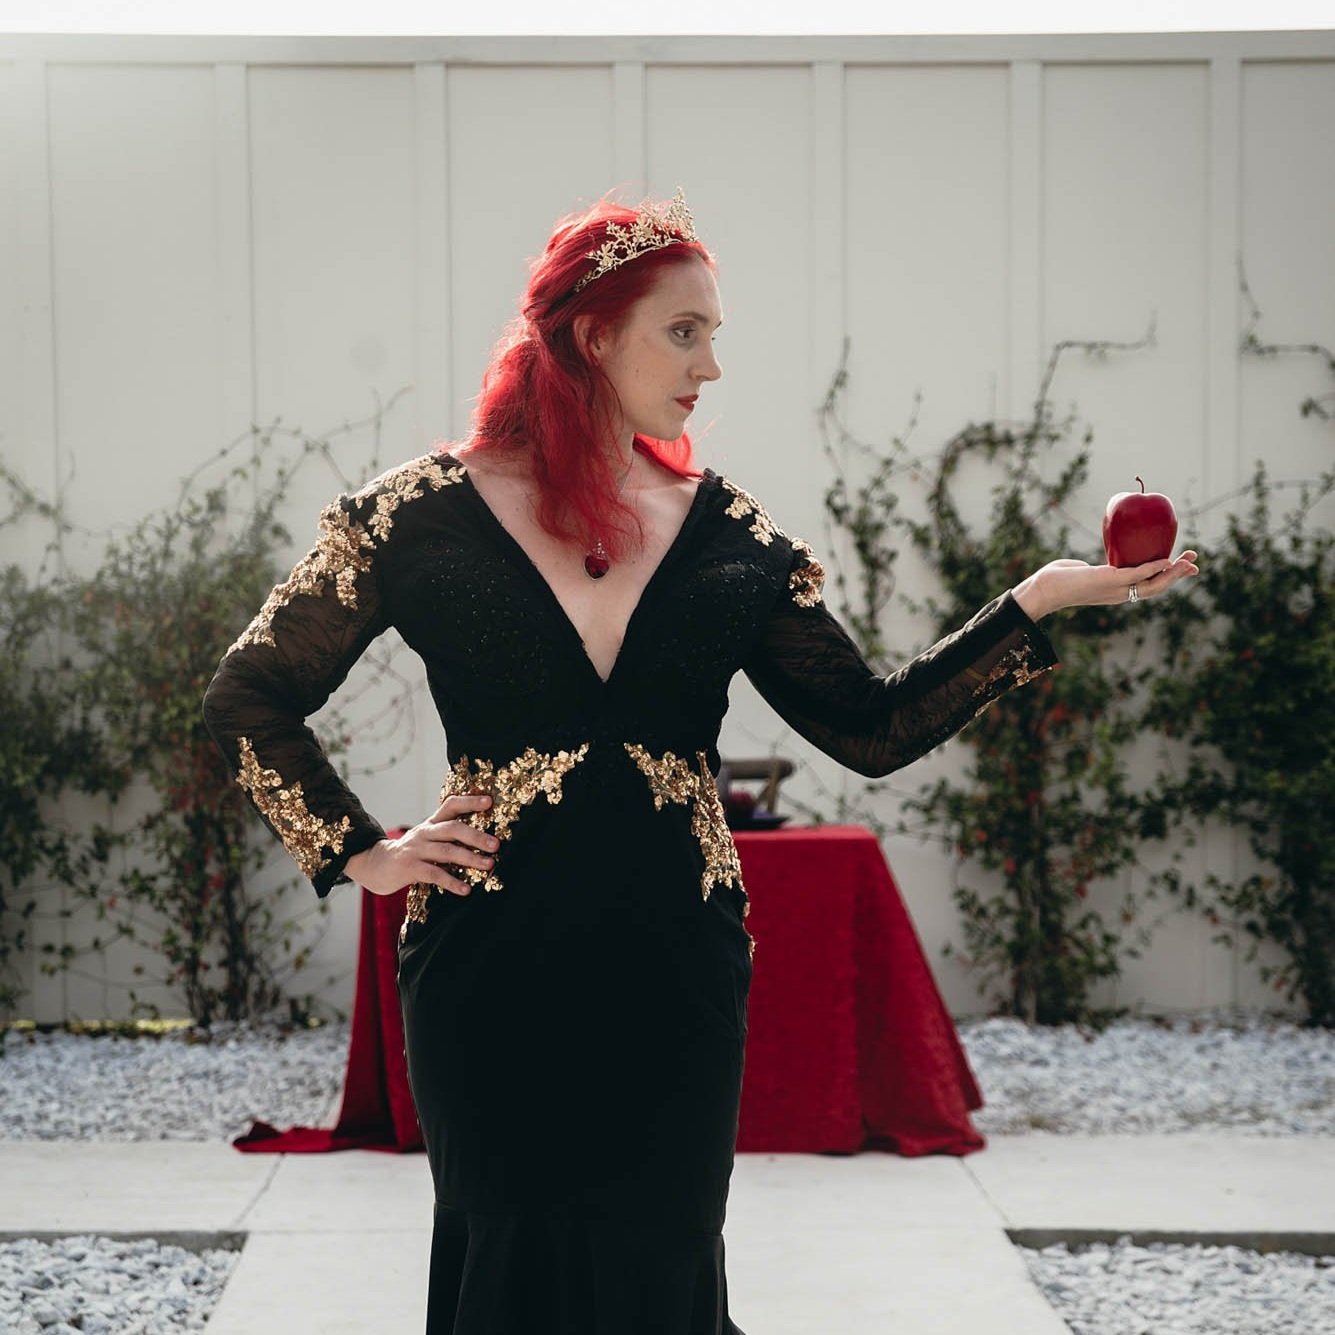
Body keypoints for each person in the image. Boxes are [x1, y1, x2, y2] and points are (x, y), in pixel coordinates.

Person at [202, 187, 1198, 1335]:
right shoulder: (414, 519)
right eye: (686, 331)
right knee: (507, 1263)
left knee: (661, 1269)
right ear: (592, 334)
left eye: (713, 335)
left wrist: (1039, 601)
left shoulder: (734, 541)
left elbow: (870, 728)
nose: (710, 367)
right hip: (490, 971)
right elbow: (251, 693)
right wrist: (361, 852)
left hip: (675, 966)